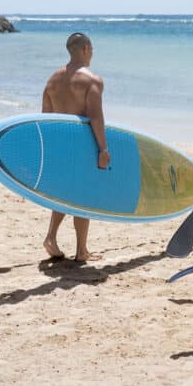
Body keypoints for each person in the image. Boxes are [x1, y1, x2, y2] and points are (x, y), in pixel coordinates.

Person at [41, 32, 110, 263]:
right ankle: (81, 251)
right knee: (82, 197)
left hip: (60, 144)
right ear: (86, 49)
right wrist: (103, 149)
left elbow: (45, 118)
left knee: (62, 194)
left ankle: (51, 237)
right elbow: (95, 118)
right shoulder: (92, 80)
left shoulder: (52, 80)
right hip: (82, 145)